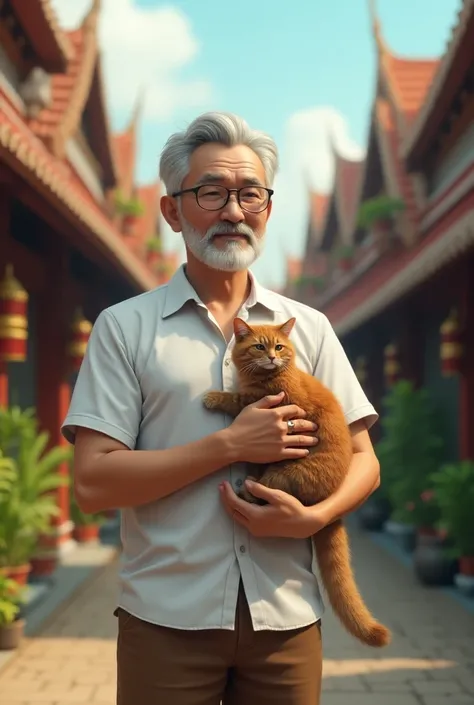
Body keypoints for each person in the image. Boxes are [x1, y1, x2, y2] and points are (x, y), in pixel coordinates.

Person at [61, 111, 380, 705]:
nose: (234, 210)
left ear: (266, 208)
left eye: (250, 193)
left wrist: (314, 519)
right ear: (172, 211)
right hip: (166, 620)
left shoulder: (307, 329)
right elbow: (94, 483)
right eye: (212, 192)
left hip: (285, 617)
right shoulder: (125, 329)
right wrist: (228, 446)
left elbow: (364, 459)